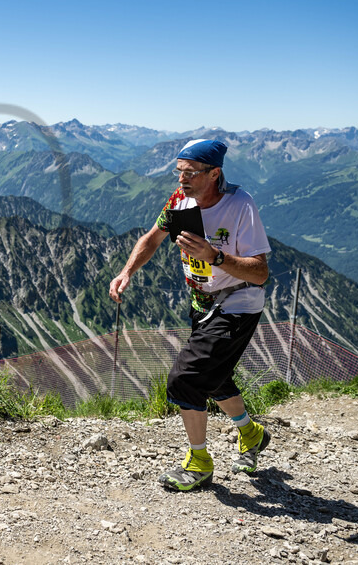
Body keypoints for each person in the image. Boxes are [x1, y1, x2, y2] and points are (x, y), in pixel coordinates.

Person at [109, 138, 272, 491]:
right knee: (213, 378)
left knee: (185, 378)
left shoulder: (240, 205)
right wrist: (126, 272)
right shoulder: (178, 200)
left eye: (191, 173)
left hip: (238, 303)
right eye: (178, 171)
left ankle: (199, 462)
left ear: (215, 173)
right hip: (202, 303)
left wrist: (215, 257)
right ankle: (251, 433)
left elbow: (260, 272)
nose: (181, 179)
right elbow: (152, 238)